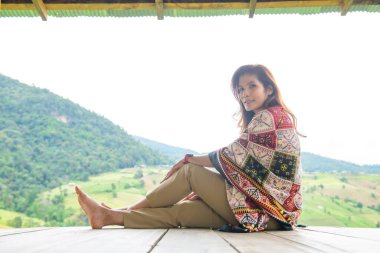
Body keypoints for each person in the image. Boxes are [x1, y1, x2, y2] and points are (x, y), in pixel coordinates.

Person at [75, 64, 303, 232]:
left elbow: (231, 154)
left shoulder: (271, 118)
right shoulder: (272, 119)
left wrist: (188, 159)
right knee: (183, 212)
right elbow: (249, 167)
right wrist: (209, 190)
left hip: (264, 212)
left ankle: (123, 210)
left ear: (269, 90)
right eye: (241, 89)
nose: (244, 94)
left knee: (190, 172)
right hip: (268, 218)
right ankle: (107, 217)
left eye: (252, 86)